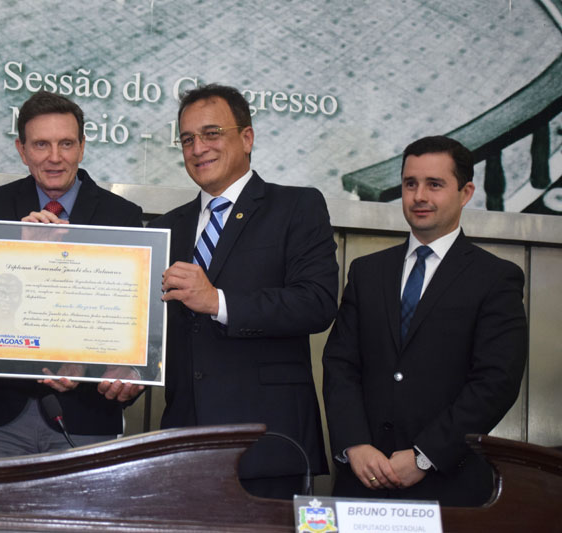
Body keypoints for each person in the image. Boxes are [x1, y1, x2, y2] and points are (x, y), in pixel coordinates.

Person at [148, 84, 339, 499]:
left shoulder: (297, 207)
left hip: (269, 443)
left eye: (212, 133)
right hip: (182, 445)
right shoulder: (166, 227)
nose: (198, 148)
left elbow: (317, 303)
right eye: (187, 139)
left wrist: (217, 301)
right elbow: (147, 329)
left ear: (247, 138)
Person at [322, 135, 528, 506]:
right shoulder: (368, 272)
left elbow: (496, 382)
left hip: (448, 487)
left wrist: (425, 455)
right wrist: (354, 444)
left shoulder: (496, 278)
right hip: (362, 481)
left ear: (465, 193)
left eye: (435, 184)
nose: (419, 196)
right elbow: (340, 365)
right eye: (410, 183)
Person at [0, 91, 144, 458]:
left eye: (66, 143)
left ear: (82, 147)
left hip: (86, 415)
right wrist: (18, 248)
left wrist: (87, 365)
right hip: (0, 414)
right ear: (22, 149)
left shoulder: (122, 216)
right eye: (41, 144)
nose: (54, 157)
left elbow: (130, 321)